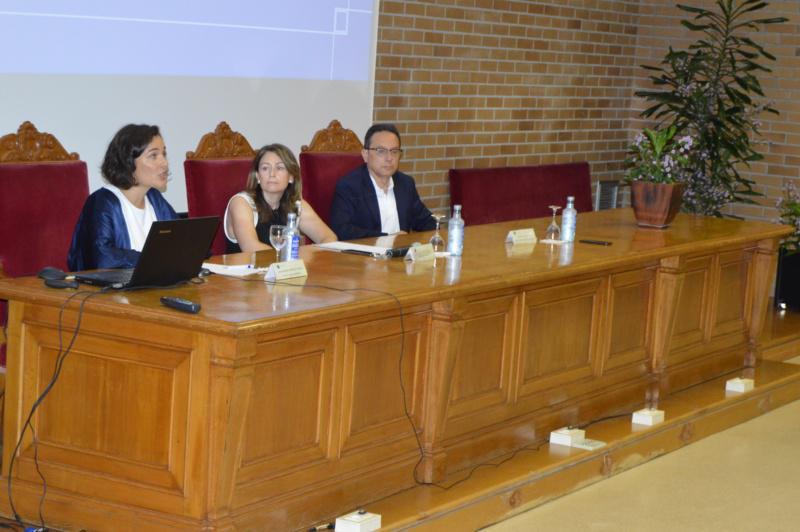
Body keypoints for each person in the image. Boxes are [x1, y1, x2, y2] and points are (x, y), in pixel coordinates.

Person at [67, 124, 177, 271]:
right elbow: (102, 257)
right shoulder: (103, 202)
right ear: (128, 162)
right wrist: (153, 259)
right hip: (110, 293)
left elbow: (182, 243)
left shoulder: (154, 199)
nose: (164, 163)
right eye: (153, 156)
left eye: (164, 154)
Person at [329, 123, 436, 241]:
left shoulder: (405, 184)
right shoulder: (349, 186)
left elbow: (426, 221)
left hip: (403, 256)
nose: (389, 158)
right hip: (365, 257)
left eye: (394, 151)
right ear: (365, 155)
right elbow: (341, 230)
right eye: (381, 151)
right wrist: (388, 239)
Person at [223, 143, 336, 253]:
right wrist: (294, 254)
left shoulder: (296, 204)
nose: (272, 174)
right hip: (245, 271)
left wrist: (304, 254)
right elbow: (251, 248)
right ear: (257, 176)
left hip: (284, 271)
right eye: (265, 168)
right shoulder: (241, 203)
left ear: (291, 177)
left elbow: (329, 238)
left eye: (280, 168)